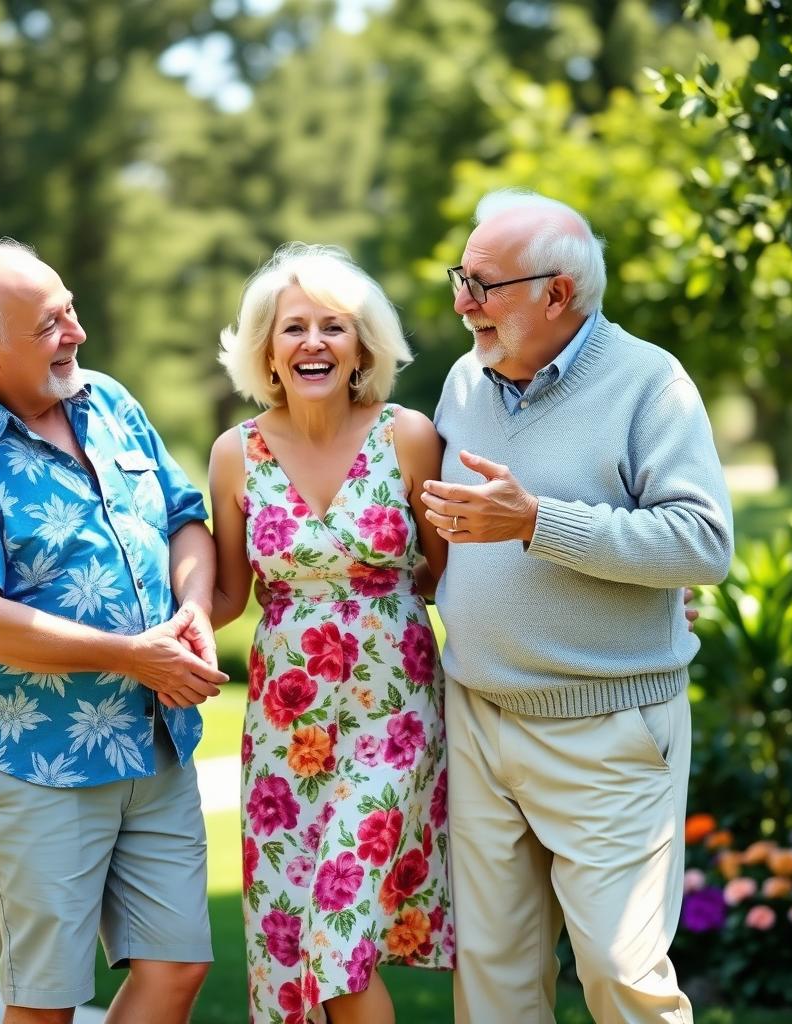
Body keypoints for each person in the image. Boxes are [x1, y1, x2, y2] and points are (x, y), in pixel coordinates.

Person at [421, 190, 733, 1024]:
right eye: (462, 278)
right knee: (494, 984)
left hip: (607, 728)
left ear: (557, 293)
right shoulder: (464, 380)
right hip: (481, 714)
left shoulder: (649, 383)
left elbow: (703, 544)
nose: (462, 302)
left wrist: (536, 522)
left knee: (621, 974)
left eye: (483, 284)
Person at [0, 239, 228, 1024]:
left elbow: (186, 521)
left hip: (155, 740)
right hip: (36, 759)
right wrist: (132, 655)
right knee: (46, 1001)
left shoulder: (110, 403)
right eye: (51, 324)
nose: (77, 332)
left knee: (178, 968)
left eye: (71, 310)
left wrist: (190, 607)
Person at [208, 244, 454, 1024]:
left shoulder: (407, 437)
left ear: (362, 347)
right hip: (285, 734)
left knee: (337, 941)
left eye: (334, 327)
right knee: (289, 948)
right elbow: (224, 595)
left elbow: (452, 574)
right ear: (267, 351)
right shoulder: (235, 454)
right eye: (294, 328)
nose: (313, 342)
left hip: (394, 722)